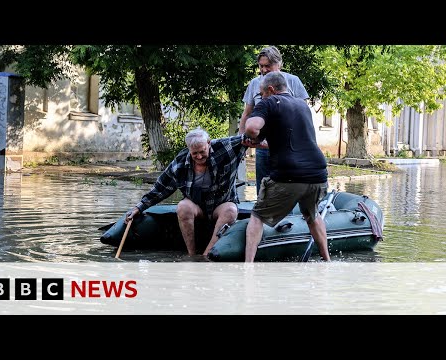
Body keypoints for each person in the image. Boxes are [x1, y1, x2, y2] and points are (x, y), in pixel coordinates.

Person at [242, 71, 330, 262]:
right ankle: (327, 261)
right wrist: (260, 141)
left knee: (257, 216)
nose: (261, 97)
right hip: (318, 175)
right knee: (312, 215)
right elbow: (290, 140)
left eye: (262, 93)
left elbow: (252, 127)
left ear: (271, 90)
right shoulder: (302, 105)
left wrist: (250, 135)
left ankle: (247, 269)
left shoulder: (269, 102)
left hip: (289, 175)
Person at [124, 127, 247, 257]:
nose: (199, 156)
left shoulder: (225, 147)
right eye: (195, 153)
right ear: (189, 150)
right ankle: (191, 255)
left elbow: (250, 136)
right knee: (183, 206)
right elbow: (160, 188)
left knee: (231, 210)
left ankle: (207, 255)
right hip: (197, 206)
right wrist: (139, 207)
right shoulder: (180, 163)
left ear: (209, 143)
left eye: (202, 151)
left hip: (221, 205)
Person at [239, 46, 309, 194]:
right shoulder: (254, 83)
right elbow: (247, 114)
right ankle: (261, 214)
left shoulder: (293, 81)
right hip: (263, 147)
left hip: (288, 148)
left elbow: (303, 114)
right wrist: (241, 141)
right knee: (263, 189)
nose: (264, 70)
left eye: (268, 66)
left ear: (279, 64)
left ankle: (287, 215)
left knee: (287, 188)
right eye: (261, 66)